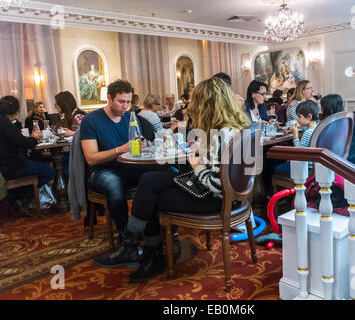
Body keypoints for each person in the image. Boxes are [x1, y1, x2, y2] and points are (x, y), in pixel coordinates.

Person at [118, 77, 251, 283]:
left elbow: (216, 184)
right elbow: (223, 167)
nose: (191, 106)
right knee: (149, 180)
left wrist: (196, 164)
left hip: (216, 199)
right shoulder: (234, 127)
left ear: (205, 103)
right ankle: (135, 244)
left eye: (195, 101)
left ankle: (148, 252)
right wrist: (201, 147)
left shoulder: (221, 134)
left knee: (150, 196)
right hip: (232, 195)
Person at [81, 80, 155, 269]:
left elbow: (136, 145)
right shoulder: (91, 120)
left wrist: (143, 146)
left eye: (128, 102)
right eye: (121, 102)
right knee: (115, 186)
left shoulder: (131, 116)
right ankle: (126, 239)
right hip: (103, 170)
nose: (125, 107)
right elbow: (91, 158)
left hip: (129, 167)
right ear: (109, 98)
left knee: (155, 177)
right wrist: (119, 150)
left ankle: (154, 231)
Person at [0, 96, 54, 215]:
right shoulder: (3, 123)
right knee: (48, 171)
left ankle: (20, 198)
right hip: (9, 167)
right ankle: (23, 198)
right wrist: (35, 138)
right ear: (15, 111)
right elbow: (24, 143)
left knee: (35, 162)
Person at [275, 100, 319, 174]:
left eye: (299, 116)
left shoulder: (308, 133)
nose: (297, 119)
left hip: (305, 167)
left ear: (309, 116)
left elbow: (299, 153)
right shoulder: (316, 127)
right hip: (313, 165)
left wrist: (295, 135)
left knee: (277, 168)